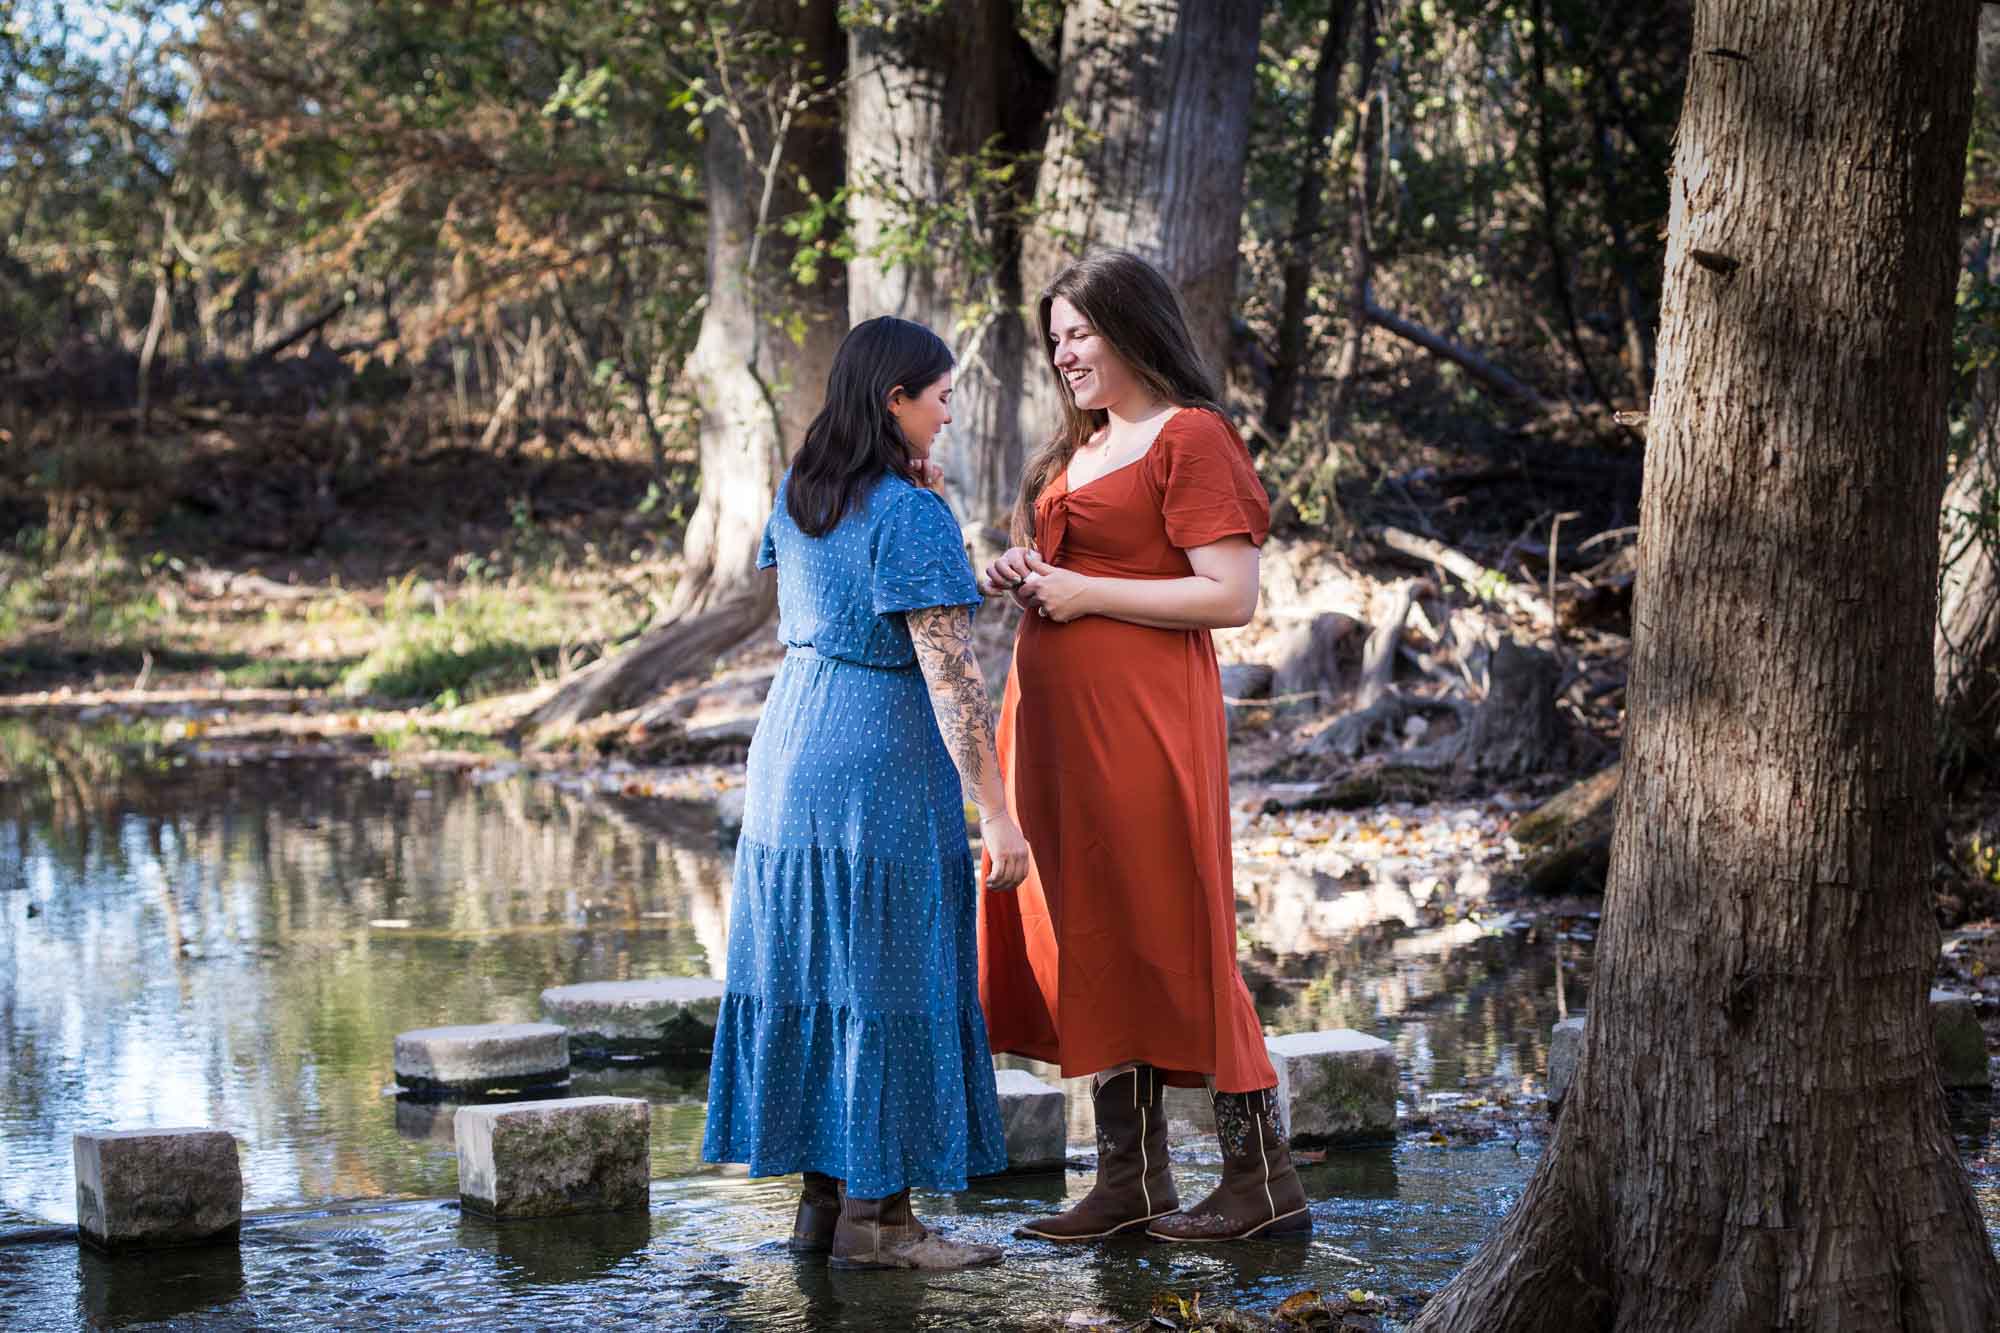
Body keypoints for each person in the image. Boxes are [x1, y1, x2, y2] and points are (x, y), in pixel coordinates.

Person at [977, 251, 1310, 1244]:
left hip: (1144, 724)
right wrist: (1022, 570)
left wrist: (1086, 593)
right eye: (1054, 340)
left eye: (1078, 333)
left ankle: (1261, 1181)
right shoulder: (1071, 450)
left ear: (1130, 328)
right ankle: (1131, 1181)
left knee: (1173, 919)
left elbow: (1231, 596)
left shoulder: (1191, 436)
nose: (1064, 353)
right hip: (1050, 725)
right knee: (1093, 922)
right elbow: (1071, 570)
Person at [703, 315, 1032, 1271]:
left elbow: (817, 597)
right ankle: (881, 1224)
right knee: (887, 976)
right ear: (896, 400)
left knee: (813, 970)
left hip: (790, 746)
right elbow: (951, 675)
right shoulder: (910, 513)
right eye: (939, 396)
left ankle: (820, 1211)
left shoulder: (801, 491)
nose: (950, 411)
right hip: (876, 759)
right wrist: (999, 813)